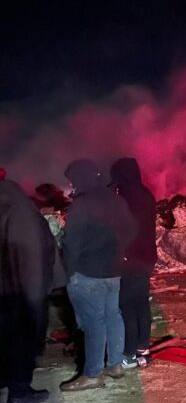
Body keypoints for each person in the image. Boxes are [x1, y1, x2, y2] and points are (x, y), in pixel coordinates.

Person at [60, 159, 136, 391]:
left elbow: (71, 243)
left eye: (72, 180)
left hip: (88, 273)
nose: (71, 185)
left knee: (94, 323)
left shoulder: (81, 205)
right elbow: (131, 230)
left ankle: (93, 373)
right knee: (113, 315)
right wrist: (116, 250)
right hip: (113, 271)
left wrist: (69, 272)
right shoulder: (116, 199)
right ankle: (115, 364)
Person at [0, 180, 55, 403]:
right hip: (23, 291)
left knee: (7, 338)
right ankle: (20, 391)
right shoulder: (23, 214)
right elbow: (35, 254)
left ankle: (6, 379)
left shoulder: (7, 212)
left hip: (6, 290)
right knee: (23, 338)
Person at [110, 158, 157, 368]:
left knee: (127, 305)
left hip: (129, 259)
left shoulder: (124, 198)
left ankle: (128, 352)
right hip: (146, 257)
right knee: (141, 303)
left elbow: (121, 230)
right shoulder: (146, 194)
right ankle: (143, 348)